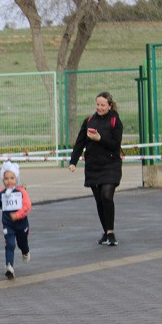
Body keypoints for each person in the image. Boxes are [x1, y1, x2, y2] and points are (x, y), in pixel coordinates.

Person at [68, 92, 124, 246]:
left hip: (110, 165)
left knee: (107, 196)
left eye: (103, 105)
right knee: (99, 200)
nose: (99, 107)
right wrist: (73, 161)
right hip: (93, 166)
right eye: (97, 104)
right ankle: (106, 232)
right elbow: (80, 143)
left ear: (109, 106)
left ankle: (111, 233)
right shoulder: (89, 121)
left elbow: (115, 144)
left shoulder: (115, 121)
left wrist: (100, 139)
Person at [0, 161, 31, 279]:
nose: (9, 181)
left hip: (21, 224)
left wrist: (18, 215)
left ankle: (25, 251)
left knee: (22, 244)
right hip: (8, 224)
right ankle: (9, 266)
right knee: (10, 244)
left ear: (16, 178)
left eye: (12, 178)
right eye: (6, 178)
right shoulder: (1, 193)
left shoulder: (21, 192)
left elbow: (27, 206)